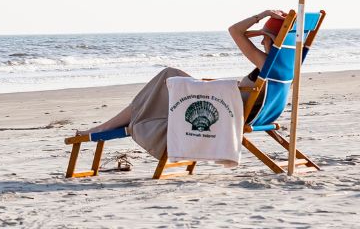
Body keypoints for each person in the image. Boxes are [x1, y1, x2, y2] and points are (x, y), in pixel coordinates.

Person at [76, 9, 287, 158]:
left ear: (274, 40)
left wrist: (264, 15)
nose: (260, 41)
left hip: (224, 108)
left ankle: (107, 127)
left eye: (265, 38)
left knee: (168, 76)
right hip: (233, 107)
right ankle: (113, 123)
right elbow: (242, 34)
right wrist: (266, 31)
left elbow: (234, 30)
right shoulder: (282, 66)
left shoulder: (266, 64)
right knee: (168, 79)